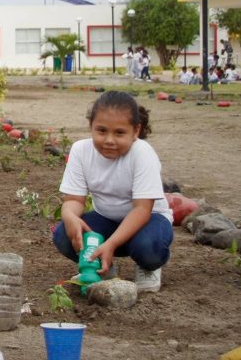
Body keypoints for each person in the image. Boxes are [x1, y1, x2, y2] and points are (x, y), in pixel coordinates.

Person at [51, 91, 173, 293]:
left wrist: (112, 243)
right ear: (91, 126)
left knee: (148, 248)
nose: (109, 140)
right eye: (101, 131)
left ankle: (148, 267)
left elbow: (142, 209)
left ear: (135, 131)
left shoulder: (142, 153)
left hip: (148, 220)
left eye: (119, 133)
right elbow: (74, 199)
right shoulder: (81, 151)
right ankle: (101, 268)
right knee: (64, 235)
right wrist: (70, 215)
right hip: (106, 218)